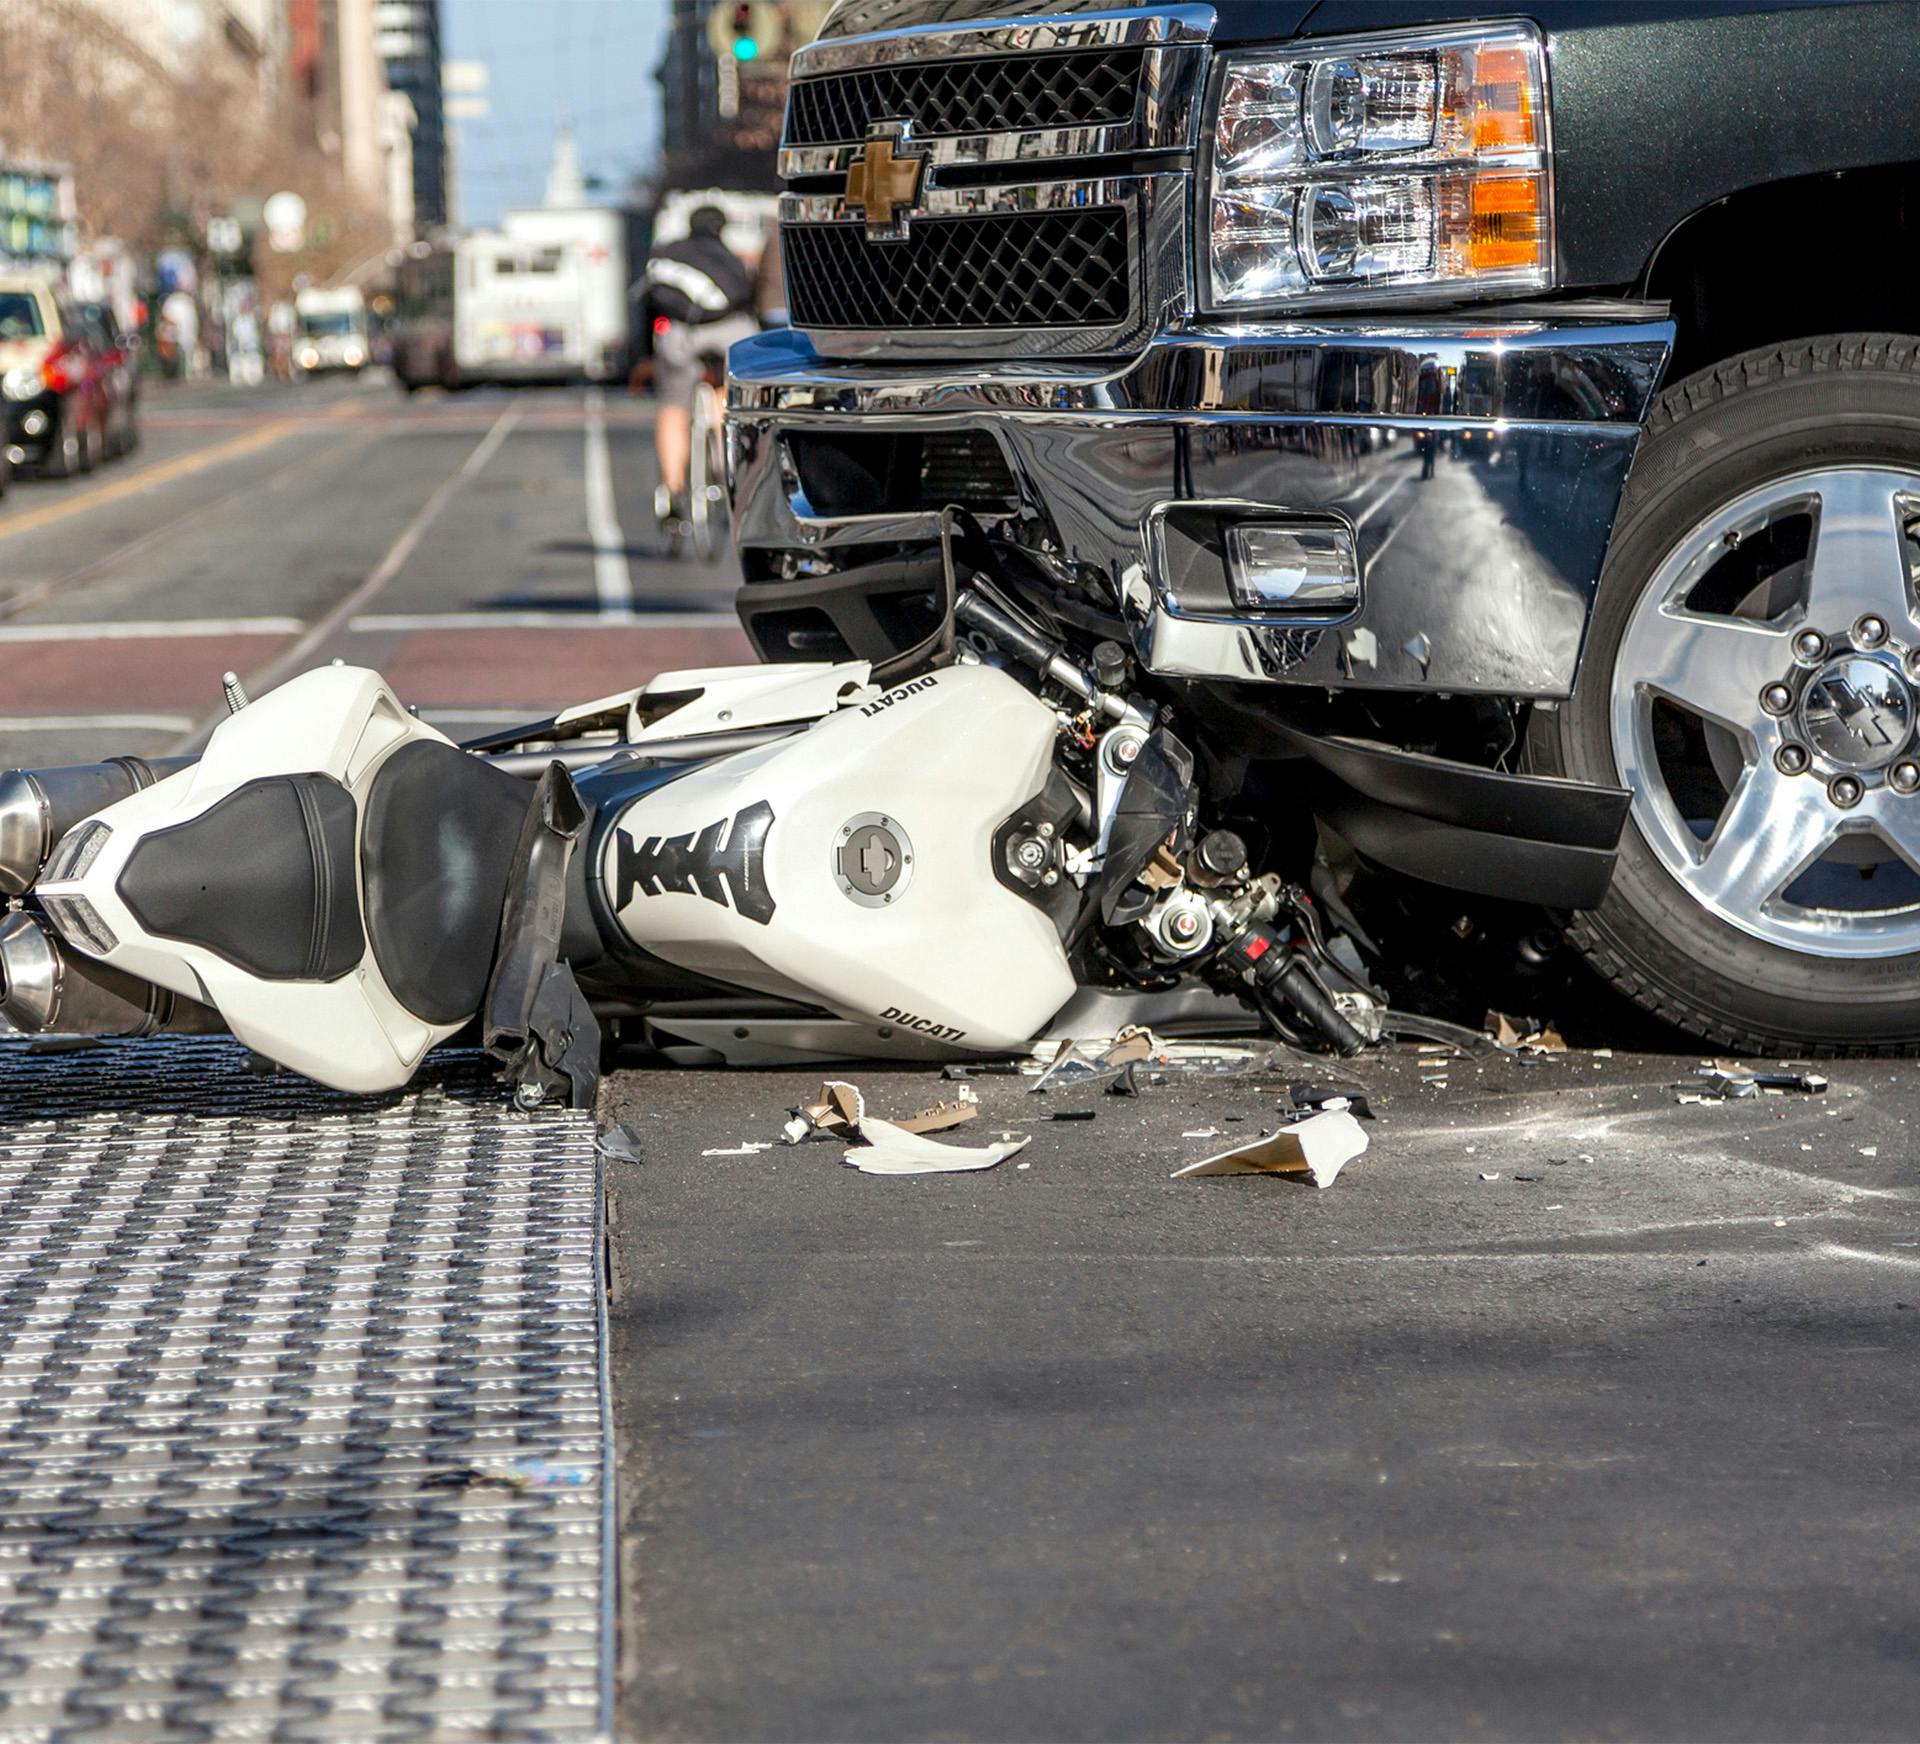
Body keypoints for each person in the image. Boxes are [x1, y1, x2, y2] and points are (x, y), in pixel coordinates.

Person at [640, 205, 758, 527]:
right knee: (724, 396)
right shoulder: (729, 257)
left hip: (679, 334)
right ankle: (727, 472)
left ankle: (674, 495)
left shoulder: (668, 254)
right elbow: (748, 300)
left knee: (674, 408)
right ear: (722, 228)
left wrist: (644, 357)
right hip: (727, 333)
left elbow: (650, 303)